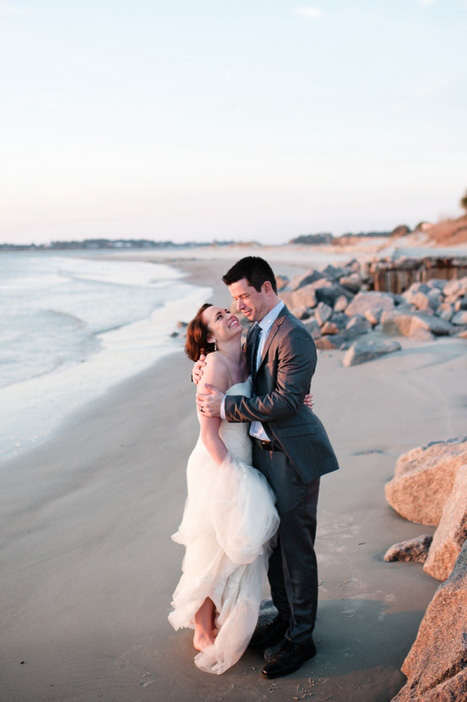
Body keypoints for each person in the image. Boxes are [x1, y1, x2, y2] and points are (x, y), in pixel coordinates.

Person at [194, 256, 339, 679]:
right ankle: (286, 619)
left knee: (296, 550)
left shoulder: (293, 335)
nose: (238, 305)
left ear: (268, 289)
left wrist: (225, 406)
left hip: (292, 458)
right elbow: (237, 370)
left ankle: (302, 640)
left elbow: (286, 402)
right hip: (263, 454)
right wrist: (200, 370)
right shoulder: (257, 332)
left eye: (243, 296)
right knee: (274, 547)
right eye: (233, 298)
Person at [168, 302, 281, 675]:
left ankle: (223, 614)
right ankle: (202, 629)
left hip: (242, 460)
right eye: (218, 318)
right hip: (217, 462)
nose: (229, 315)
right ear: (210, 337)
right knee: (212, 544)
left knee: (234, 546)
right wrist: (234, 477)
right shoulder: (215, 364)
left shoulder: (248, 350)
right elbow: (207, 434)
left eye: (225, 310)